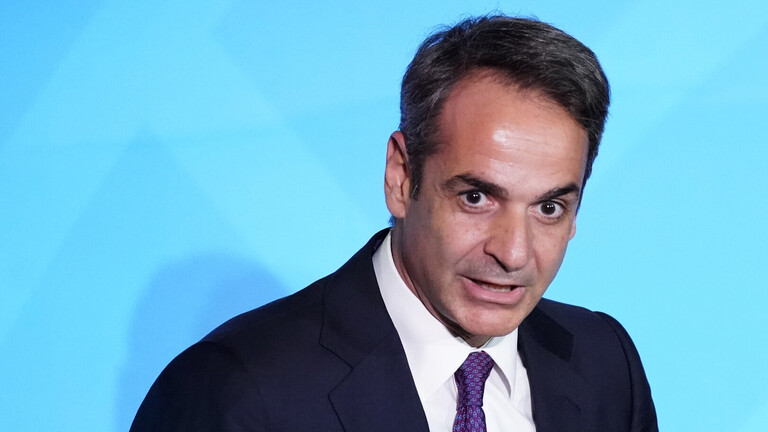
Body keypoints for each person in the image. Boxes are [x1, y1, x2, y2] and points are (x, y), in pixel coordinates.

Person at [131, 15, 657, 432]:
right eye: (476, 197)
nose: (514, 253)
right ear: (401, 178)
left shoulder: (605, 364)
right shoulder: (237, 391)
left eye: (549, 208)